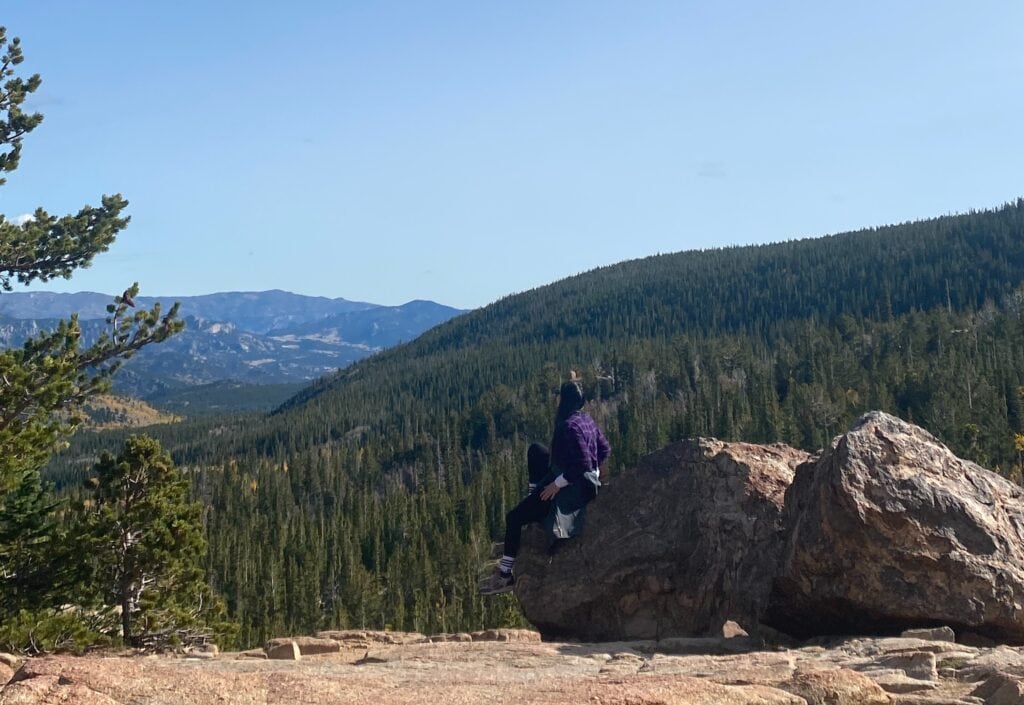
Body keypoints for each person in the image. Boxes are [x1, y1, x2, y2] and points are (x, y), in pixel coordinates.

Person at [479, 378, 611, 595]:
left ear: (563, 401)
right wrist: (595, 474)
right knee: (536, 451)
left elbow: (582, 463)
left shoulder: (569, 426)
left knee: (514, 518)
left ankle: (504, 575)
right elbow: (604, 449)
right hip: (577, 480)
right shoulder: (585, 420)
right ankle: (534, 498)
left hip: (570, 488)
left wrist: (557, 485)